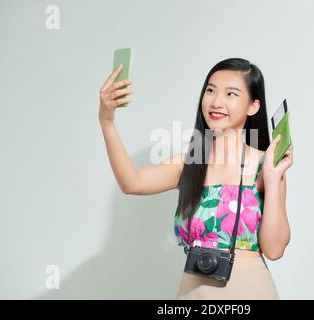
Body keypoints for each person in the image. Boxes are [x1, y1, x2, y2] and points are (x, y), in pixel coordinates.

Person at [98, 57, 293, 299]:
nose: (216, 101)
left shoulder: (266, 165)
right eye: (210, 90)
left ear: (253, 107)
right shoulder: (188, 163)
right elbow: (132, 182)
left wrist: (273, 179)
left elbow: (274, 250)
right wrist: (107, 122)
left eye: (231, 94)